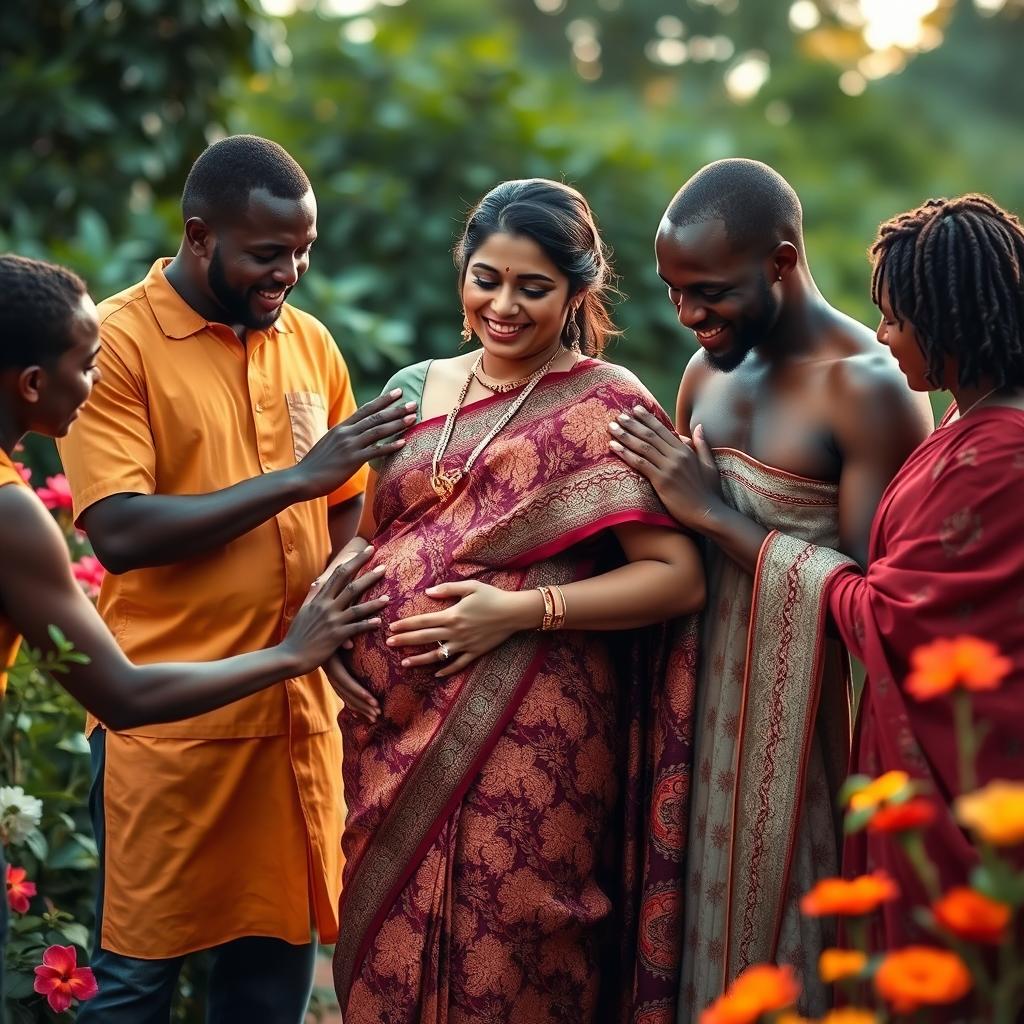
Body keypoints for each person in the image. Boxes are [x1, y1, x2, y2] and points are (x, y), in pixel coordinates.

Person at [323, 179, 706, 1023]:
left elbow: (677, 574)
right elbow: (366, 537)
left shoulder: (607, 401)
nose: (503, 305)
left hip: (537, 735)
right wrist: (327, 632)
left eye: (532, 288)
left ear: (577, 291)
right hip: (392, 727)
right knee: (383, 943)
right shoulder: (415, 387)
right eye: (485, 278)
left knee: (518, 948)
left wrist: (518, 613)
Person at [55, 136, 414, 1022]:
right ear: (200, 236)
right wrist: (298, 476)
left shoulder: (310, 344)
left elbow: (347, 504)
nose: (288, 272)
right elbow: (123, 529)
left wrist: (336, 604)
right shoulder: (120, 342)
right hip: (168, 730)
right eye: (267, 254)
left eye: (302, 252)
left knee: (270, 983)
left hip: (294, 726)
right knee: (135, 984)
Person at [607, 159, 934, 1016]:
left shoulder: (871, 389)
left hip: (798, 741)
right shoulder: (702, 376)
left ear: (782, 263)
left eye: (709, 292)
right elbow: (667, 547)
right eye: (674, 293)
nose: (689, 317)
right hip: (686, 715)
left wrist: (715, 516)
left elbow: (869, 608)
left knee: (785, 961)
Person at [820, 195, 1024, 950]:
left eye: (896, 319)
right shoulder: (970, 420)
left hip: (980, 781)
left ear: (950, 325)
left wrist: (750, 537)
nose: (881, 336)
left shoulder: (998, 453)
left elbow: (892, 614)